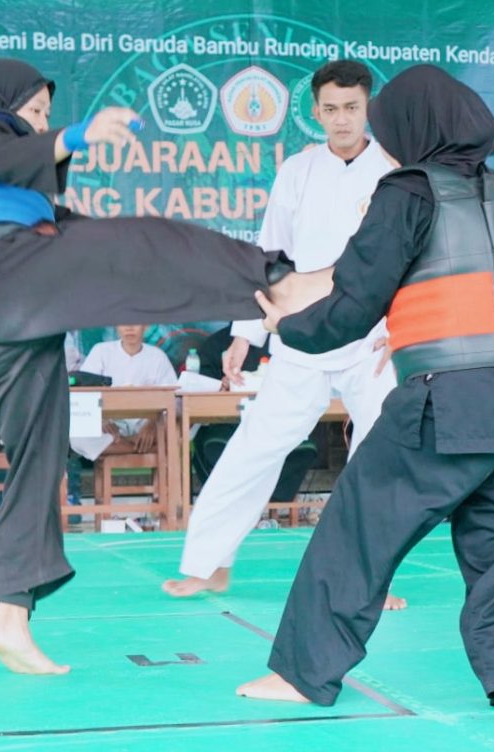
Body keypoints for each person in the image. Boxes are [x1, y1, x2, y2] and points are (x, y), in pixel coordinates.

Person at [0, 58, 330, 675]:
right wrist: (76, 136)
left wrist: (110, 239)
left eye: (47, 118)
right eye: (32, 112)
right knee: (146, 242)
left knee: (37, 453)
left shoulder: (20, 202)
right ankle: (278, 280)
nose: (41, 126)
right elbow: (5, 157)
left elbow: (61, 221)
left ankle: (10, 614)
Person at [238, 66, 494, 722]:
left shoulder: (409, 191)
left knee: (356, 528)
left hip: (451, 404)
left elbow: (352, 305)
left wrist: (285, 327)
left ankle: (304, 673)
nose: (385, 145)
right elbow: (489, 300)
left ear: (413, 128)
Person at [162, 60, 402, 609]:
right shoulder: (297, 170)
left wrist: (403, 326)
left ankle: (369, 579)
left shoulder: (394, 171)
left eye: (352, 108)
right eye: (331, 109)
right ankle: (208, 565)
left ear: (368, 109)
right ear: (315, 112)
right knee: (255, 444)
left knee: (379, 458)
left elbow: (411, 258)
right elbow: (270, 257)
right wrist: (246, 335)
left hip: (373, 337)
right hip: (302, 332)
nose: (341, 120)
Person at [189, 326, 319, 504]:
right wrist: (221, 386)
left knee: (303, 449)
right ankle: (233, 506)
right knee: (212, 447)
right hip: (228, 426)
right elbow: (200, 388)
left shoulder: (284, 342)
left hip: (275, 426)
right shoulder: (216, 343)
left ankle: (270, 509)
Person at [75, 325, 177, 456]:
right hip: (111, 425)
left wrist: (152, 424)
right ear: (116, 326)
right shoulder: (101, 351)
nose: (129, 328)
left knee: (179, 428)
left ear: (145, 327)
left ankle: (123, 444)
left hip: (145, 424)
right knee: (77, 437)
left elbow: (171, 398)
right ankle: (139, 447)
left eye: (135, 323)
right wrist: (102, 420)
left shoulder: (158, 356)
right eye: (124, 323)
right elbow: (84, 392)